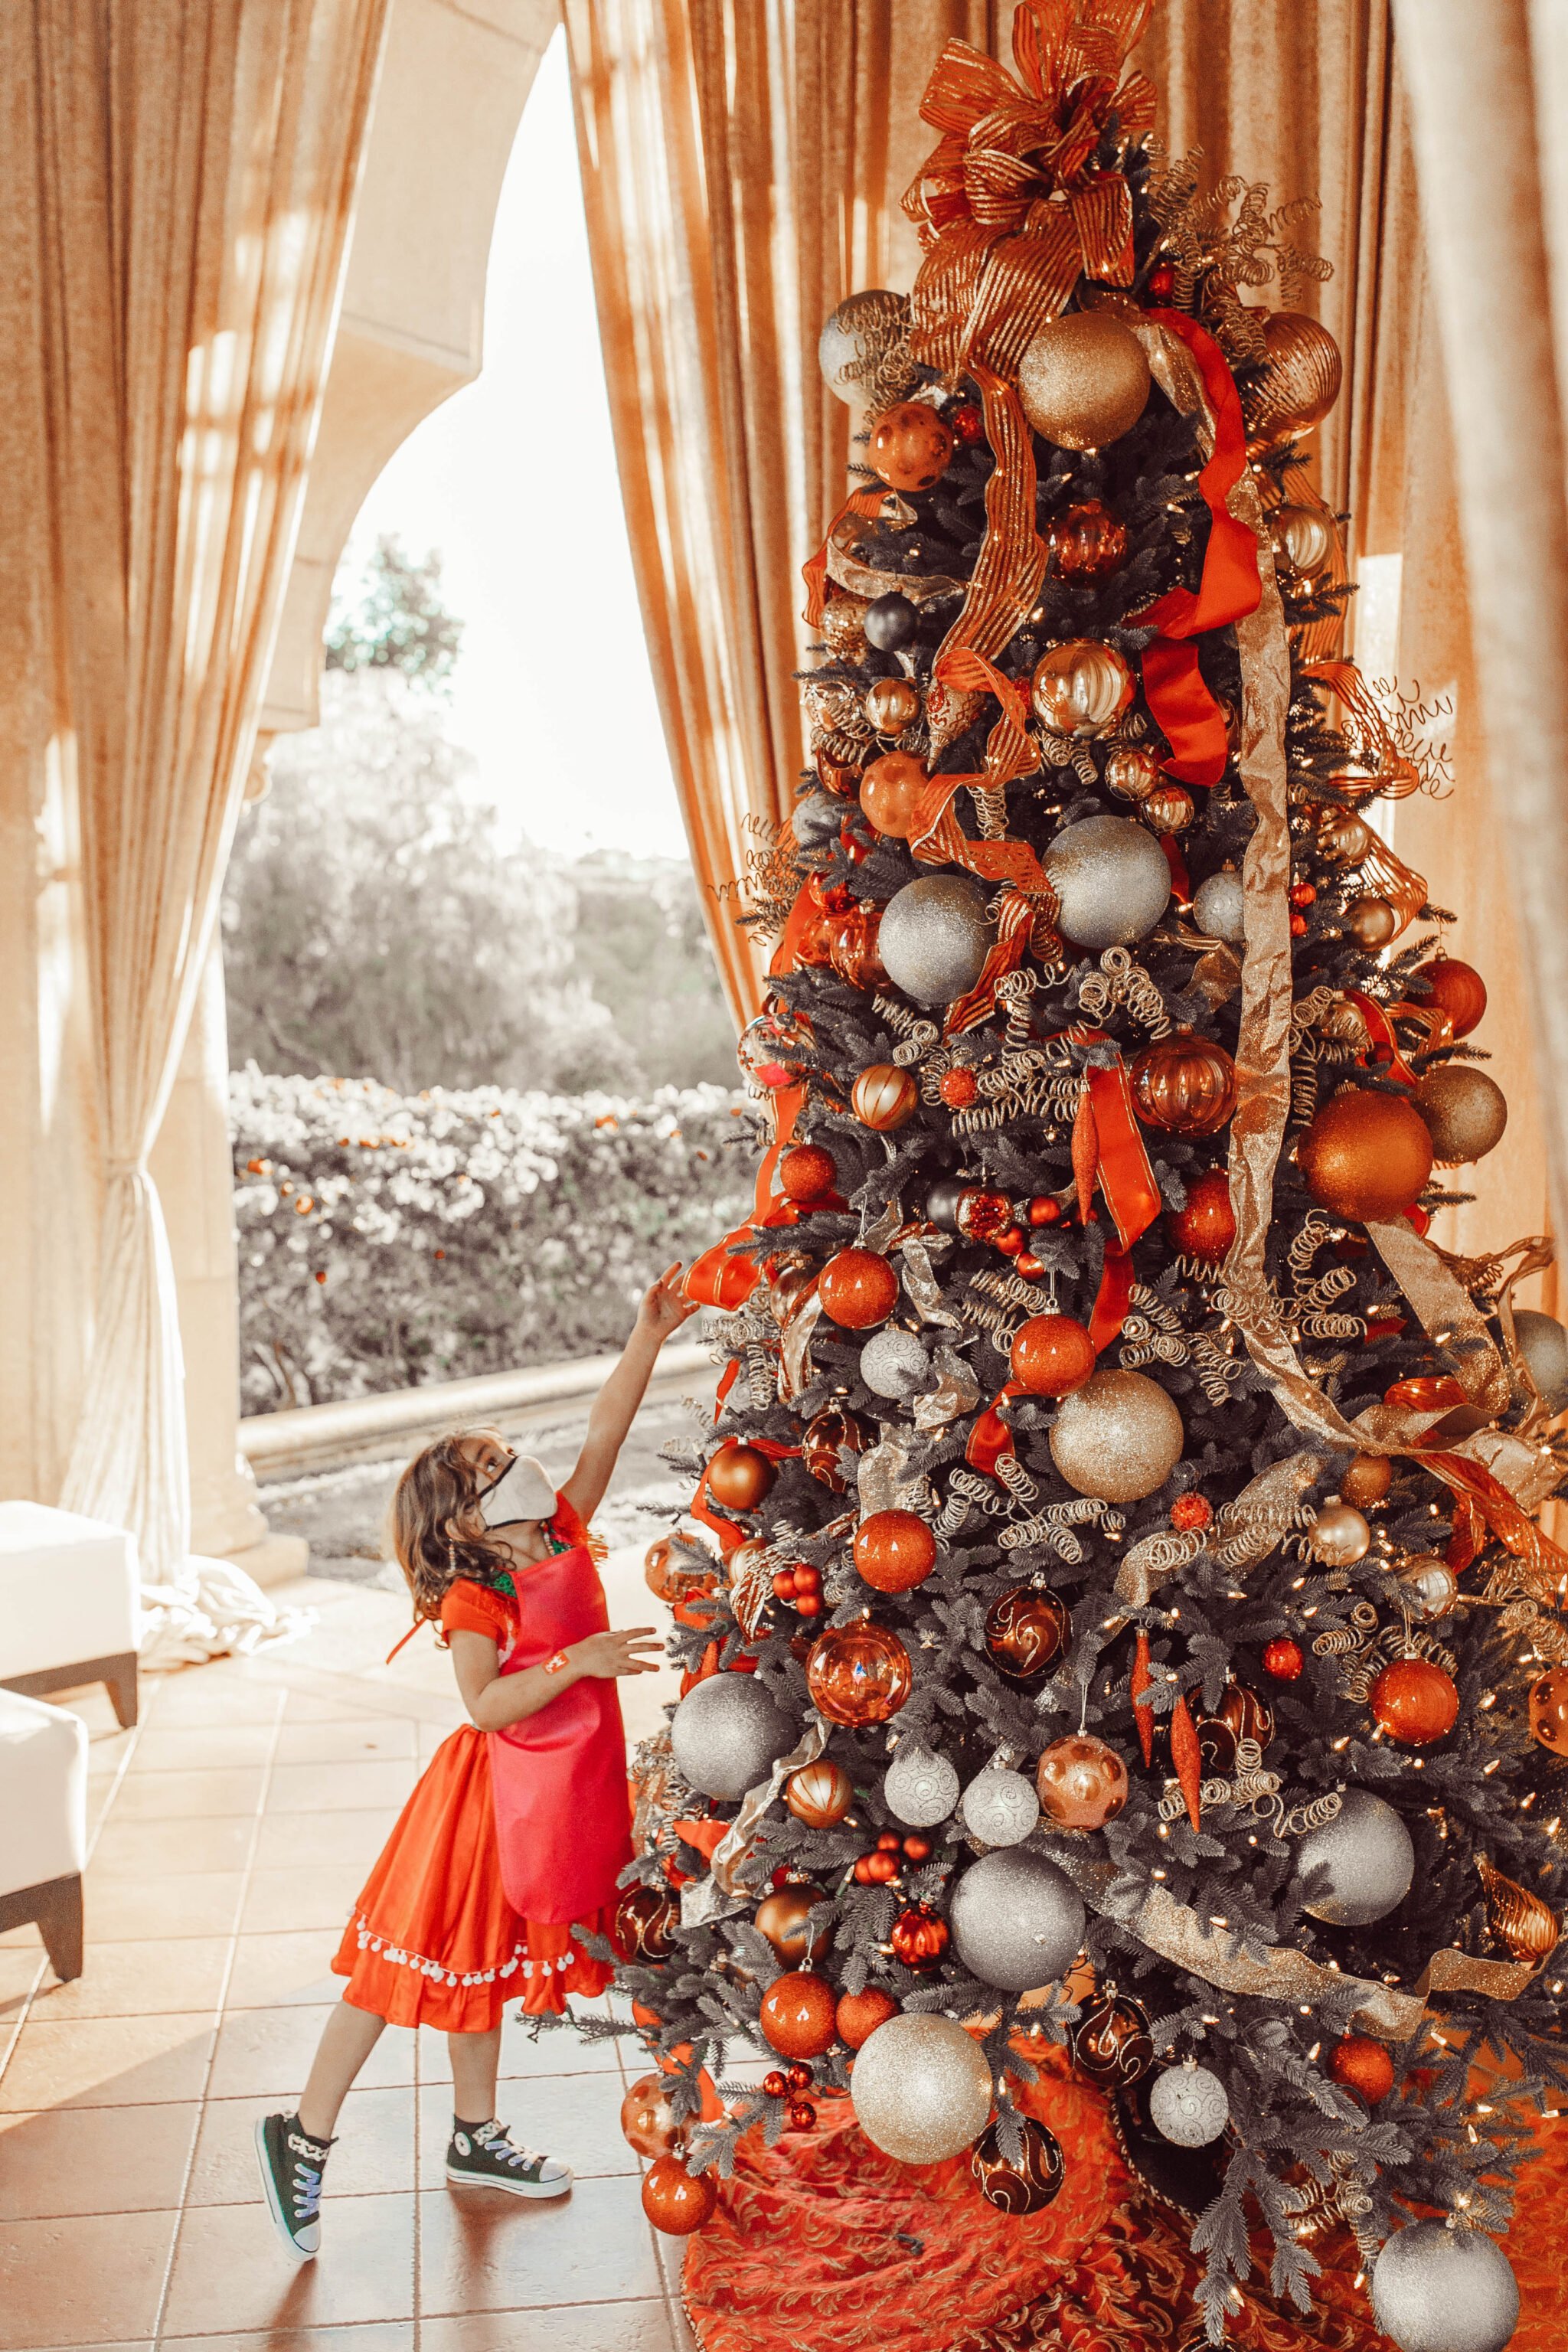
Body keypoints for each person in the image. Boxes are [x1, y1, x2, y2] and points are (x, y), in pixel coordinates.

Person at [254, 1264, 696, 2261]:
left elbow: (604, 1436)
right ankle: (304, 2133)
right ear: (467, 1517)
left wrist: (648, 1337)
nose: (525, 1463)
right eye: (499, 1463)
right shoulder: (478, 1598)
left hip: (551, 1796)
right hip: (485, 1800)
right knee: (397, 1969)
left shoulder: (559, 1533)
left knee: (480, 1973)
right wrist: (578, 1662)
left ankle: (475, 2137)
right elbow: (485, 1704)